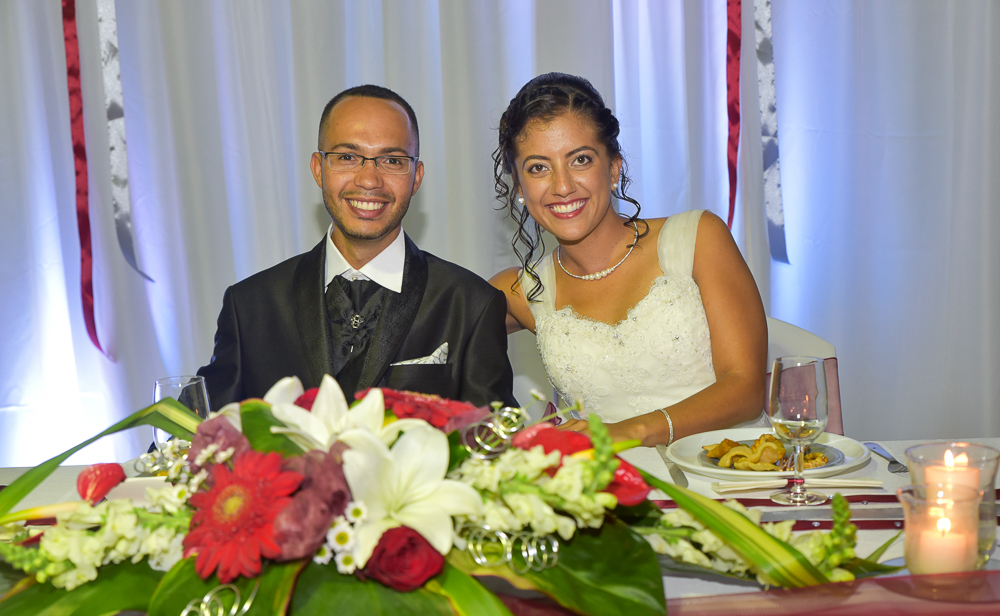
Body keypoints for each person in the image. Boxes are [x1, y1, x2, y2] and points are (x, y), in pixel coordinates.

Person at [490, 73, 766, 448]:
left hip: (727, 468)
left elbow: (746, 388)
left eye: (580, 160)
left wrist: (627, 432)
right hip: (609, 481)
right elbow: (428, 328)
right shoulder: (521, 291)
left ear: (613, 168)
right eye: (539, 167)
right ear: (520, 188)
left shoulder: (698, 238)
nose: (562, 186)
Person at [198, 85, 516, 409]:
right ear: (318, 169)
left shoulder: (471, 305)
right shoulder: (249, 306)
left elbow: (495, 435)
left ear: (416, 177)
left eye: (392, 160)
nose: (369, 180)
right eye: (347, 157)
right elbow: (198, 429)